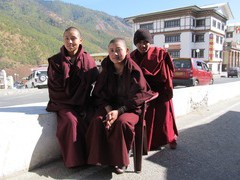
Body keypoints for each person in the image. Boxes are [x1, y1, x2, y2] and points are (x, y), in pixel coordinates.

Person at [86, 37, 153, 174]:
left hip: (130, 109)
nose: (115, 54)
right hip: (110, 107)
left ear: (127, 51)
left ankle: (120, 160)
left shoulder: (134, 70)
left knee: (122, 123)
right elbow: (99, 93)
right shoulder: (106, 69)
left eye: (118, 50)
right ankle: (101, 157)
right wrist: (109, 109)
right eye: (111, 51)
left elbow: (141, 95)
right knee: (97, 120)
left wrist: (120, 111)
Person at [46, 27, 99, 168]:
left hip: (84, 102)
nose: (70, 42)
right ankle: (75, 161)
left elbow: (97, 85)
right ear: (63, 40)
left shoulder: (88, 60)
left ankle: (93, 157)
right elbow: (55, 89)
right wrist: (75, 103)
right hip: (64, 103)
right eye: (66, 38)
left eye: (73, 38)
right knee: (70, 121)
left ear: (80, 40)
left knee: (93, 118)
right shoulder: (56, 62)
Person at [130, 28, 178, 151]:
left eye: (145, 42)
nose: (143, 45)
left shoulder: (160, 53)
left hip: (160, 90)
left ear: (150, 42)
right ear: (136, 43)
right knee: (148, 116)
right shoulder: (132, 56)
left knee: (165, 116)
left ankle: (170, 138)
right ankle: (150, 142)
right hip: (144, 91)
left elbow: (169, 71)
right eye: (139, 42)